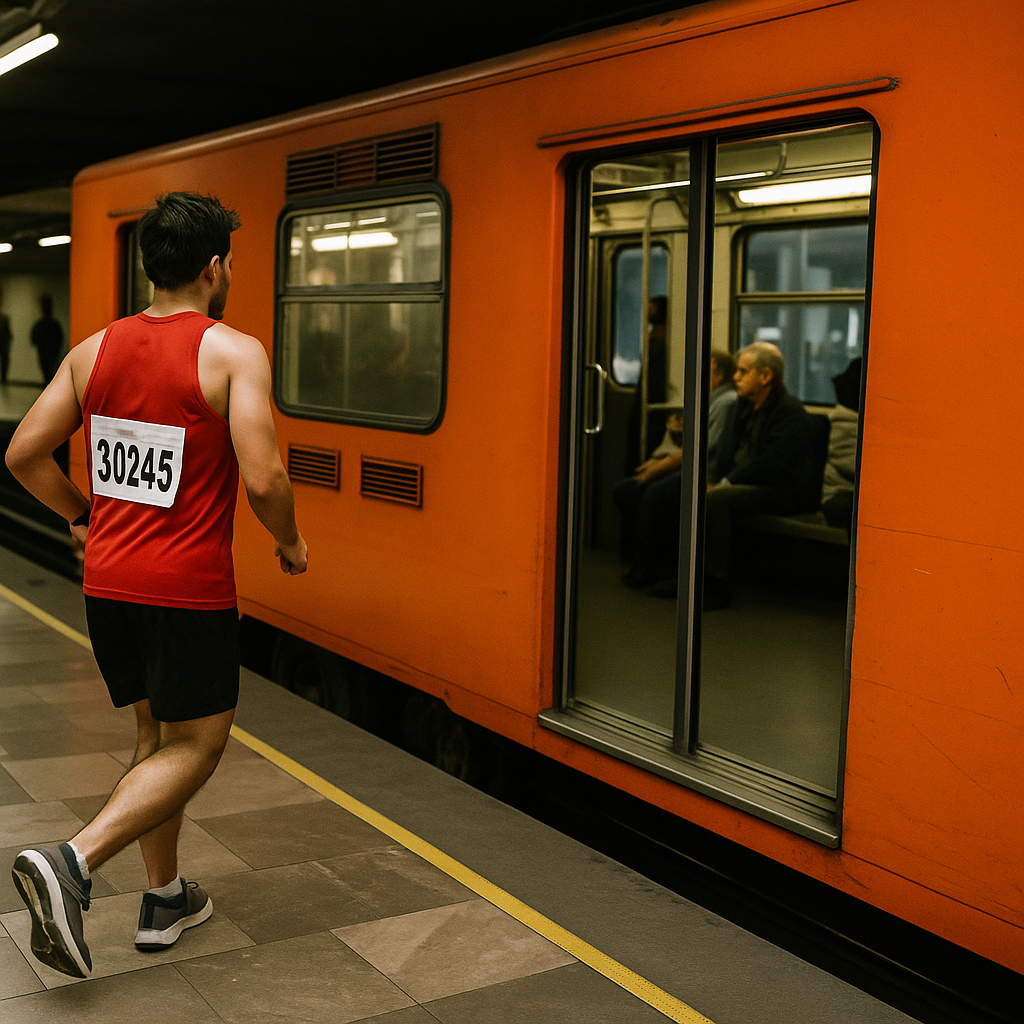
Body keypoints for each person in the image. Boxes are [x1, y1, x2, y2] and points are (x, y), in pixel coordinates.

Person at [5, 191, 308, 979]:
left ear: (150, 265)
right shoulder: (232, 352)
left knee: (155, 740)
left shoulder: (94, 351)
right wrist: (290, 541)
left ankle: (165, 896)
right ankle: (72, 862)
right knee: (199, 745)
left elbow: (23, 454)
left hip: (109, 585)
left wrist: (83, 516)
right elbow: (265, 477)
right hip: (187, 591)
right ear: (214, 268)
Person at [704, 341, 816, 608]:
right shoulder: (740, 407)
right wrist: (713, 479)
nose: (735, 377)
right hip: (744, 482)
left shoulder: (790, 413)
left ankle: (715, 584)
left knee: (716, 500)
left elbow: (770, 465)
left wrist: (725, 483)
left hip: (781, 491)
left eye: (743, 372)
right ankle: (680, 572)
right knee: (686, 487)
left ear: (765, 376)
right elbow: (727, 452)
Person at [31, 293, 64, 384]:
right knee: (49, 375)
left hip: (45, 353)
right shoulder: (53, 325)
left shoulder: (40, 325)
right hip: (51, 353)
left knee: (48, 375)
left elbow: (34, 340)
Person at [0, 285, 11, 385]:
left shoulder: (4, 319)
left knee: (5, 360)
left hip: (3, 345)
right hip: (4, 345)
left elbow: (8, 335)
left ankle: (4, 378)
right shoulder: (4, 319)